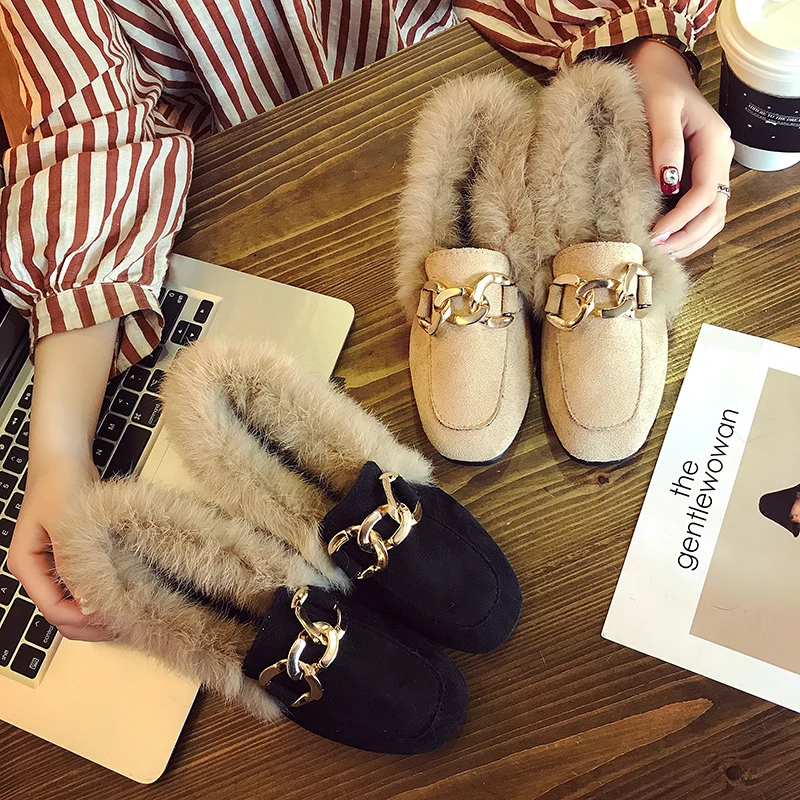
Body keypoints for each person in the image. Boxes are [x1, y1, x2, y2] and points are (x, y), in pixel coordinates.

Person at [0, 0, 733, 642]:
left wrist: (654, 57)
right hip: (253, 164)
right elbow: (86, 125)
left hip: (407, 73)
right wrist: (57, 449)